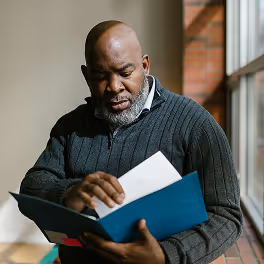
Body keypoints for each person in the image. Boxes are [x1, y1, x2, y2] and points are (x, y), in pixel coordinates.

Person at [20, 20, 243, 264]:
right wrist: (70, 194)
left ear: (145, 66)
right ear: (86, 76)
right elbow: (32, 187)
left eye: (125, 73)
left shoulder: (195, 124)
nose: (114, 87)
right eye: (100, 76)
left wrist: (165, 255)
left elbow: (226, 216)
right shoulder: (69, 127)